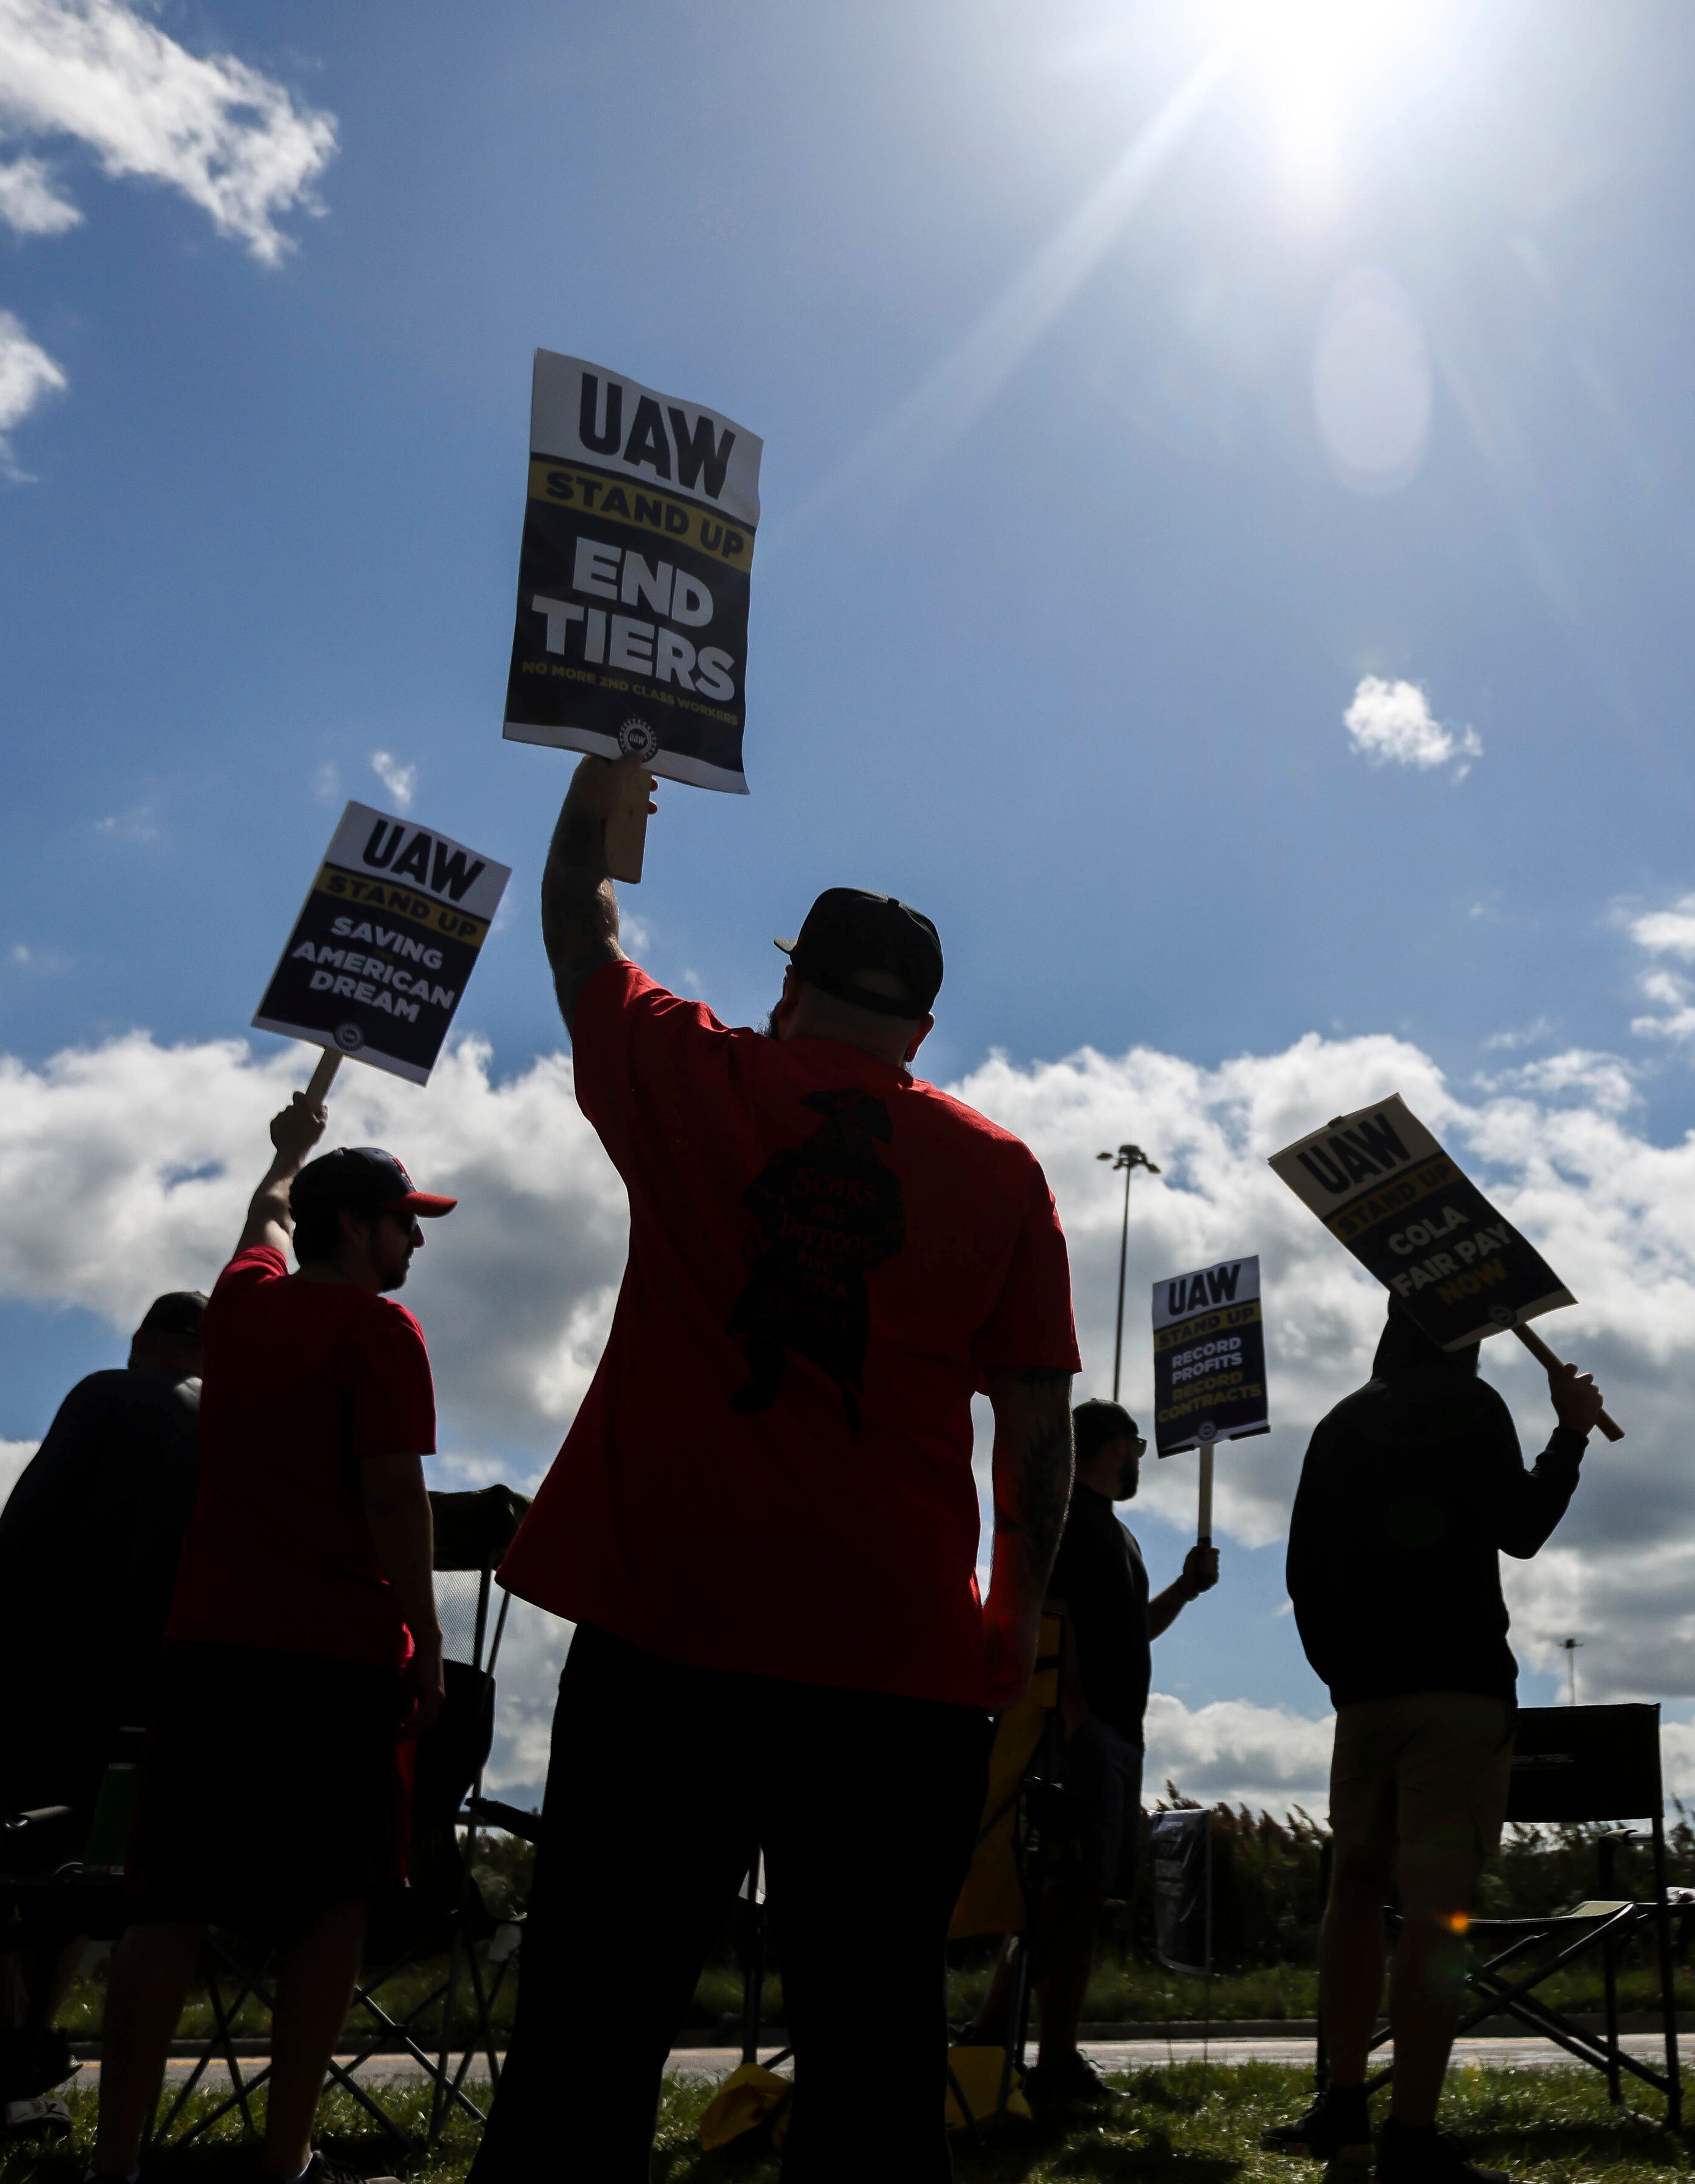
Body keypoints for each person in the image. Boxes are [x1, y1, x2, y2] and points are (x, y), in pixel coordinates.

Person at [470, 753, 1081, 2184]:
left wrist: (597, 796)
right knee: (875, 2049)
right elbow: (1039, 1432)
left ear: (792, 980)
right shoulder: (1004, 1172)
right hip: (898, 1659)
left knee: (590, 2034)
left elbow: (578, 928)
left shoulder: (699, 1073)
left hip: (667, 1633)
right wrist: (1014, 1612)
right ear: (920, 1027)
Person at [89, 1102, 453, 2184]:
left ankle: (116, 2164)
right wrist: (426, 1640)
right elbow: (394, 1491)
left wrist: (286, 1153)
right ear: (355, 1229)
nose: (417, 1241)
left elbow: (264, 1214)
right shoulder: (383, 1335)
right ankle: (285, 2158)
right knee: (333, 1901)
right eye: (402, 1221)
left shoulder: (239, 1308)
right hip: (338, 1661)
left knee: (168, 1901)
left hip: (210, 1652)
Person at [1264, 1294, 1602, 2184]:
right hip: (1457, 1687)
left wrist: (1339, 1668)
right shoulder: (1472, 1405)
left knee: (1354, 1890)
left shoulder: (1341, 1420)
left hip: (1363, 1695)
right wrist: (1568, 1433)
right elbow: (1521, 1528)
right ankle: (1411, 2133)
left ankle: (1342, 2103)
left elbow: (1300, 1564)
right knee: (1435, 1910)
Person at [0, 1289, 207, 2132]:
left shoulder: (101, 1392)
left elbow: (27, 1524)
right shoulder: (208, 1418)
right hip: (136, 1685)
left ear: (141, 1341)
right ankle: (26, 2042)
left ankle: (2, 2045)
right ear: (204, 1354)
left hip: (15, 1670)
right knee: (81, 1873)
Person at [963, 1397, 1221, 2101]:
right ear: (1111, 1445)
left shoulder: (1119, 1534)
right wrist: (1072, 1726)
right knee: (1067, 1898)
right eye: (1135, 1444)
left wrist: (1186, 1590)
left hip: (1110, 1734)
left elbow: (1132, 1631)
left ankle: (1013, 2043)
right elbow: (1058, 1621)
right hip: (1081, 1735)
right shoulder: (1071, 1521)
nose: (1140, 1456)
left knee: (1071, 1900)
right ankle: (1040, 2054)